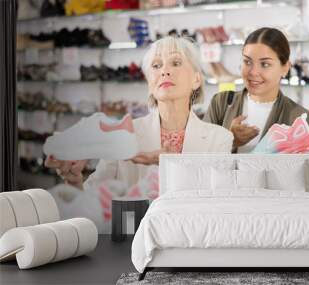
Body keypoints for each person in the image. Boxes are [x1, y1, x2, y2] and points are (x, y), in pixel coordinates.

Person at [45, 36, 234, 197]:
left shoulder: (219, 140)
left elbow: (214, 204)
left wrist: (170, 165)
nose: (164, 71)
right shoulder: (124, 134)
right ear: (150, 83)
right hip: (132, 236)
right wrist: (74, 180)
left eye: (176, 63)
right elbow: (92, 199)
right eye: (156, 65)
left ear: (196, 79)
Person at [203, 27, 309, 153]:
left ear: (285, 68)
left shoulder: (300, 119)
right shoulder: (221, 103)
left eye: (265, 64)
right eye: (247, 62)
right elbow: (198, 161)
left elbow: (305, 170)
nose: (253, 72)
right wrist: (228, 142)